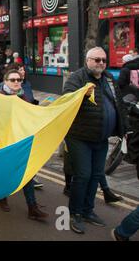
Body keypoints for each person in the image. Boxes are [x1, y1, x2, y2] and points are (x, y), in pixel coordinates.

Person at [63, 47, 126, 234]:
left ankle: (88, 210)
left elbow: (119, 104)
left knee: (96, 175)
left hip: (101, 137)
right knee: (82, 175)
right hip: (79, 137)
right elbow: (67, 100)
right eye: (96, 60)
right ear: (87, 60)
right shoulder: (77, 78)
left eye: (103, 60)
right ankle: (75, 214)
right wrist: (82, 93)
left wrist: (125, 128)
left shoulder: (108, 79)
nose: (100, 63)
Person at [0, 69, 48, 220]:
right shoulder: (0, 98)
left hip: (22, 140)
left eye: (19, 80)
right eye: (12, 80)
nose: (17, 82)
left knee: (27, 173)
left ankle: (32, 207)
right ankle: (2, 198)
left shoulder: (23, 94)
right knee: (6, 173)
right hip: (5, 142)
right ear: (5, 82)